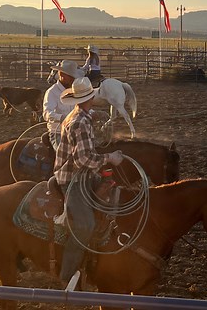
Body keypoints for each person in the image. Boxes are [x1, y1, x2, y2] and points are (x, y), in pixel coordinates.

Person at [54, 76, 123, 285]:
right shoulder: (80, 123)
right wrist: (109, 158)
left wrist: (100, 115)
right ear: (90, 98)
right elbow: (83, 159)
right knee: (86, 224)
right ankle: (66, 276)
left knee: (111, 196)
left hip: (81, 174)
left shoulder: (80, 115)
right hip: (73, 179)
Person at [43, 60, 85, 150]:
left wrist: (94, 113)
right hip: (57, 133)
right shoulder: (52, 92)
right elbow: (46, 114)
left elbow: (81, 107)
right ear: (61, 75)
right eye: (70, 76)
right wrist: (63, 118)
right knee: (64, 155)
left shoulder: (74, 91)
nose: (73, 79)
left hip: (75, 131)